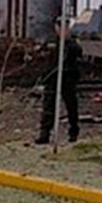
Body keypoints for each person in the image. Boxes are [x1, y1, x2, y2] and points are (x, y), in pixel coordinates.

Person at [34, 16, 81, 145]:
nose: (62, 29)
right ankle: (45, 134)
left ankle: (73, 131)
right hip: (52, 77)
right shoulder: (50, 41)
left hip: (68, 76)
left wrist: (67, 40)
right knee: (48, 106)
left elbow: (78, 52)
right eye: (59, 26)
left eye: (65, 26)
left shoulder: (72, 42)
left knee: (71, 105)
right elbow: (42, 55)